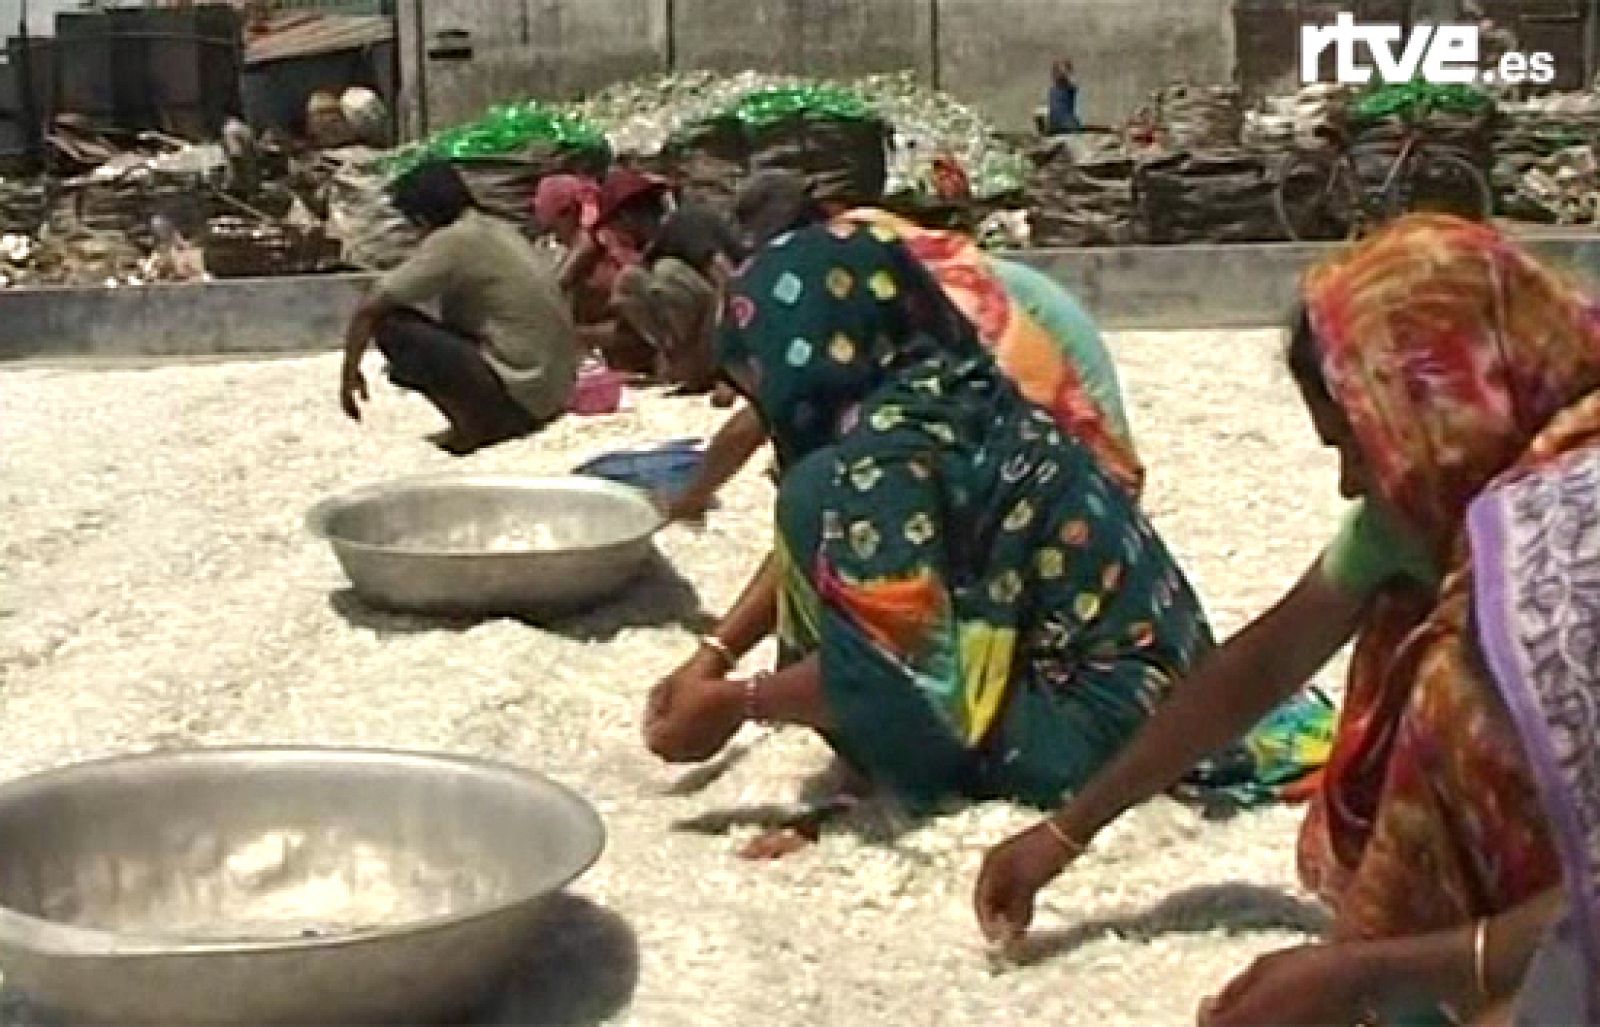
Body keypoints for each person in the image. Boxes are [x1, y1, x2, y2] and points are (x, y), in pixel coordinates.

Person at [973, 215, 1600, 1024]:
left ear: (1441, 402)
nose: (1349, 484)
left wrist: (1367, 974)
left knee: (1456, 675)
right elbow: (1265, 663)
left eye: (1359, 446)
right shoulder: (1447, 487)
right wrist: (1067, 832)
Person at [643, 222, 1213, 836]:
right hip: (1174, 688)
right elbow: (844, 549)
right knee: (814, 507)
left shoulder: (887, 456)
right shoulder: (950, 382)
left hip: (1104, 728)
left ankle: (918, 775)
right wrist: (715, 654)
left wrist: (739, 704)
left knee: (811, 500)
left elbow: (893, 673)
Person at [340, 160, 577, 455]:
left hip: (523, 395)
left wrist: (349, 374)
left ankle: (475, 427)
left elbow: (372, 304)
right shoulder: (497, 228)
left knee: (394, 327)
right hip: (552, 392)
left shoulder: (454, 240)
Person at [1046, 59, 1082, 136]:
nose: (1060, 75)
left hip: (1068, 125)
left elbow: (1074, 84)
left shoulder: (1070, 89)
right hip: (1057, 125)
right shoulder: (1053, 90)